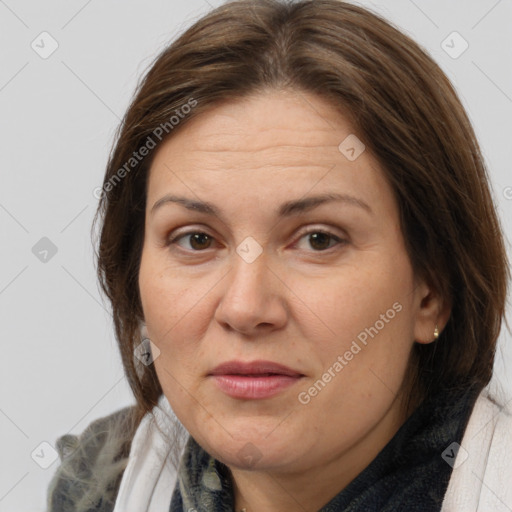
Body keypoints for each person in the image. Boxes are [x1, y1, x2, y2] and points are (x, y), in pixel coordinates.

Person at [46, 0, 512, 511]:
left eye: (318, 239)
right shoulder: (98, 486)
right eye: (196, 239)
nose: (246, 309)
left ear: (432, 292)